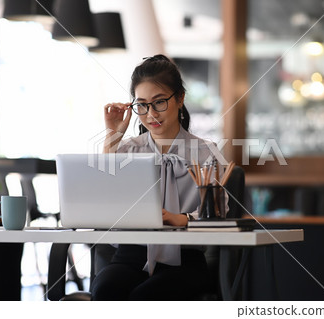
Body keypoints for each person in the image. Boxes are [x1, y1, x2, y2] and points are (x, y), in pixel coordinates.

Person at [91, 54, 225, 300]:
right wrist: (111, 138)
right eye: (141, 105)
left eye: (159, 102)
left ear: (180, 98)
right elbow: (101, 206)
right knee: (106, 291)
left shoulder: (206, 152)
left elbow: (217, 216)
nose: (151, 114)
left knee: (145, 298)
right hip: (130, 256)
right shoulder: (127, 149)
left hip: (185, 260)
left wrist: (180, 219)